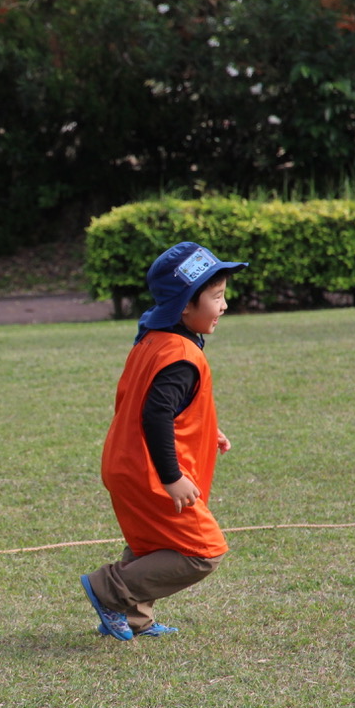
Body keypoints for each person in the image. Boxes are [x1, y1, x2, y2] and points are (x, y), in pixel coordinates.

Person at [82, 241, 248, 641]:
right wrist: (171, 476)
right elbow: (155, 414)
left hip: (125, 463)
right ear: (185, 307)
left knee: (156, 542)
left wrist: (209, 429)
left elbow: (167, 407)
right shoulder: (179, 355)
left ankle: (133, 617)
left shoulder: (155, 339)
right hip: (148, 470)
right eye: (217, 296)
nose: (224, 305)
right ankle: (110, 590)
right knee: (203, 550)